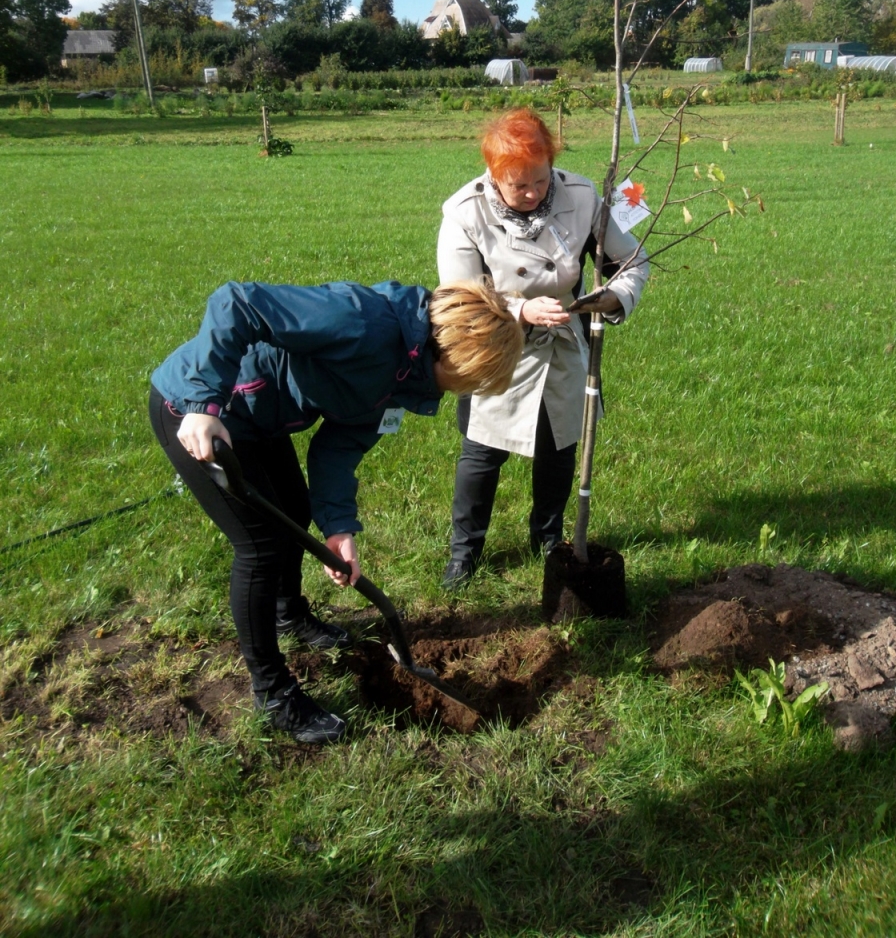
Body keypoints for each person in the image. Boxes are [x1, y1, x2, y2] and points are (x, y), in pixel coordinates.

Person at [150, 277, 523, 744]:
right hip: (196, 413)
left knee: (295, 510)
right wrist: (202, 400)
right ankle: (273, 692)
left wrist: (339, 526)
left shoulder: (404, 377)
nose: (463, 390)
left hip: (257, 421)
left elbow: (339, 447)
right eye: (469, 379)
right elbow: (239, 303)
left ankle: (289, 614)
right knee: (262, 545)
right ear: (451, 352)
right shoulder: (360, 322)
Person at [436, 107, 649, 589]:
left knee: (559, 446)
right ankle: (464, 553)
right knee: (482, 452)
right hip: (496, 345)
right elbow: (459, 298)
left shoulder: (580, 195)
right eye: (518, 186)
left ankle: (549, 539)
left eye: (539, 180)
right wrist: (519, 311)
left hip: (562, 345)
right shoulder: (464, 212)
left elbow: (634, 259)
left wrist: (614, 295)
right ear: (494, 176)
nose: (532, 193)